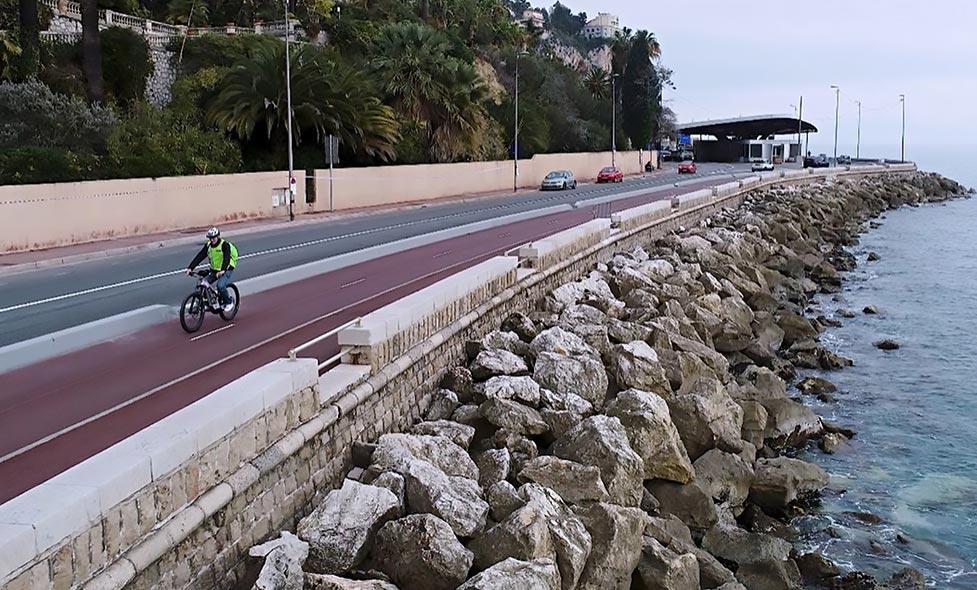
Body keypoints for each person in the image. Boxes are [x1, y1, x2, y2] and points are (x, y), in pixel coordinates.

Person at [186, 227, 238, 312]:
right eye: (210, 238)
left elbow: (227, 258)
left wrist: (223, 270)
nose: (212, 239)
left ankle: (229, 302)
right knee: (203, 283)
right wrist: (190, 268)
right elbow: (200, 256)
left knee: (220, 286)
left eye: (214, 237)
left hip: (227, 268)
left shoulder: (224, 245)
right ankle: (206, 303)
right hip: (215, 270)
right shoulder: (208, 246)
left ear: (218, 236)